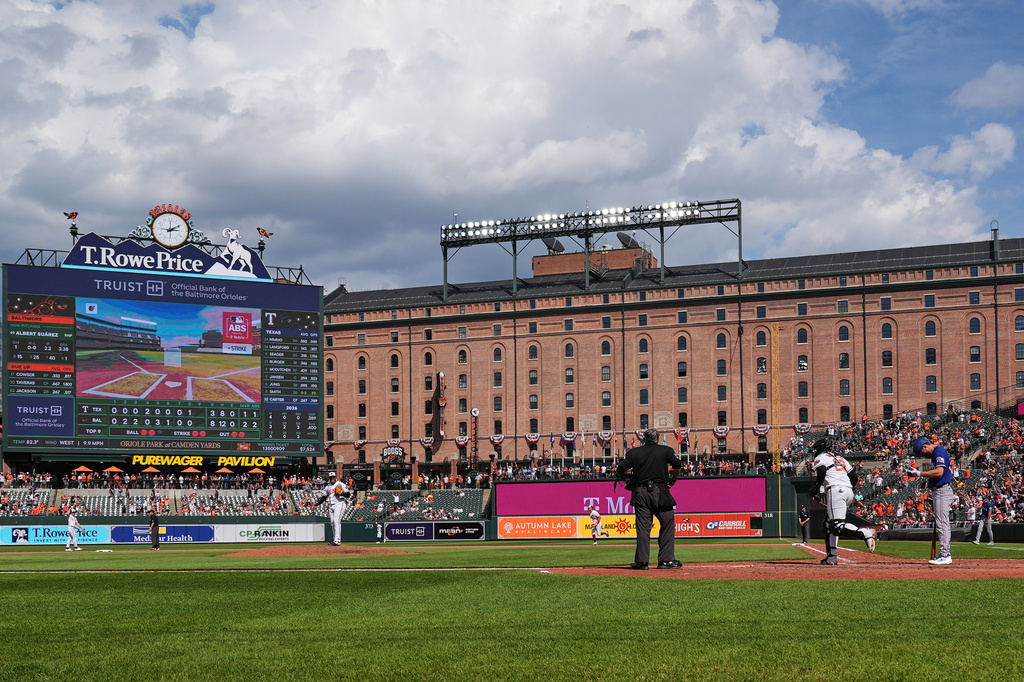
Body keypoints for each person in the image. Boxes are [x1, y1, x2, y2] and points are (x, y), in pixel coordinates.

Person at [615, 428, 682, 570]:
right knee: (667, 524)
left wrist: (627, 479)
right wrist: (674, 479)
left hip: (640, 492)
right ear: (657, 439)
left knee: (643, 528)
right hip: (661, 492)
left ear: (643, 439)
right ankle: (666, 560)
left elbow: (620, 470)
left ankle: (641, 562)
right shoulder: (666, 450)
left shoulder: (634, 452)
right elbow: (677, 465)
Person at [811, 439, 876, 565]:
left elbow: (822, 472)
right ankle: (832, 557)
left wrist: (816, 488)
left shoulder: (821, 457)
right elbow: (854, 477)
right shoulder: (840, 458)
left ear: (820, 448)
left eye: (816, 449)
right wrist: (847, 488)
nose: (815, 451)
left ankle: (865, 532)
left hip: (836, 490)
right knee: (828, 524)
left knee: (837, 526)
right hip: (848, 490)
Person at [914, 436, 953, 565]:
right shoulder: (936, 453)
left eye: (922, 453)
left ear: (925, 446)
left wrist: (919, 474)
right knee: (942, 522)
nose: (923, 455)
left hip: (942, 489)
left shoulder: (939, 451)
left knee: (942, 523)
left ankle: (945, 554)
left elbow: (939, 472)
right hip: (939, 489)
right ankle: (944, 553)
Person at [316, 472, 350, 546]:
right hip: (331, 505)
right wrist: (317, 504)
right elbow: (324, 497)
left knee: (336, 521)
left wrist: (341, 494)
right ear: (329, 478)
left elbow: (348, 494)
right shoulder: (327, 487)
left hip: (339, 503)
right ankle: (335, 539)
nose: (332, 478)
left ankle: (337, 540)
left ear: (335, 477)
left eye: (333, 477)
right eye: (331, 477)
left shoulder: (340, 484)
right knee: (332, 523)